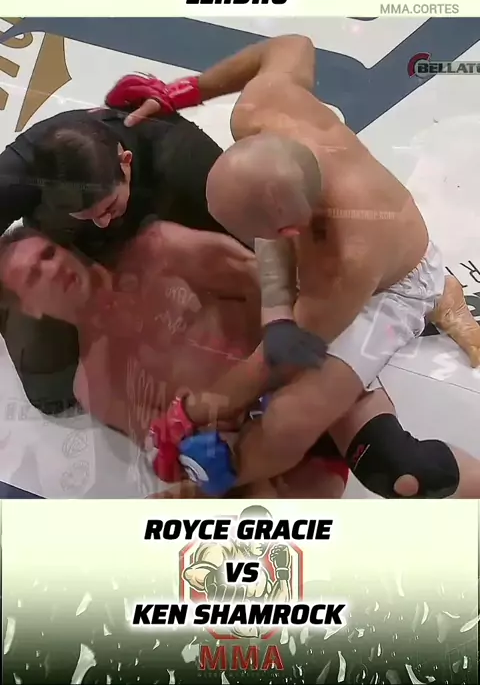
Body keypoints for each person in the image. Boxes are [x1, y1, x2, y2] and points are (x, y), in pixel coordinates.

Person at [105, 35, 480, 499]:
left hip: (393, 285)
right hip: (325, 233)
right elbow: (291, 45)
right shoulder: (261, 111)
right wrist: (181, 92)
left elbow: (276, 359)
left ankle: (221, 479)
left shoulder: (346, 260)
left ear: (287, 234)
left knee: (292, 421)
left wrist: (192, 411)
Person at [2, 224, 480, 502]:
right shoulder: (95, 383)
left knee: (400, 471)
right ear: (31, 308)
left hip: (314, 374)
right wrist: (210, 457)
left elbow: (279, 288)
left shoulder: (160, 251)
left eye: (48, 253)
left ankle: (432, 293)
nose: (52, 268)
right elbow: (185, 455)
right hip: (263, 447)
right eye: (33, 276)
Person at [0, 93, 231, 416]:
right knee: (50, 387)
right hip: (72, 254)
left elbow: (259, 235)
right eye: (88, 214)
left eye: (109, 207)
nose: (103, 220)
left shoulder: (182, 155)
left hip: (167, 245)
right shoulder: (24, 166)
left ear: (126, 161)